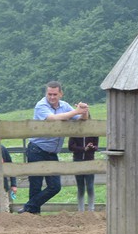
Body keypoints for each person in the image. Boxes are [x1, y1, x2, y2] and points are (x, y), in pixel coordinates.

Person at [18, 81, 88, 214]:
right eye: (49, 94)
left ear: (60, 94)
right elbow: (52, 118)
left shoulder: (65, 106)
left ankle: (28, 208)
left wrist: (83, 111)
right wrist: (75, 111)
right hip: (37, 149)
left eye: (55, 94)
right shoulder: (41, 105)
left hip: (51, 152)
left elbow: (81, 120)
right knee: (36, 185)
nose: (52, 97)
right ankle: (32, 214)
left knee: (55, 186)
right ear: (46, 93)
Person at [68, 134, 100, 211]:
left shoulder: (93, 131)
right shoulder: (75, 132)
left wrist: (92, 147)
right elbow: (71, 146)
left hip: (89, 161)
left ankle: (91, 209)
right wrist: (83, 149)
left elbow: (96, 146)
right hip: (77, 160)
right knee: (80, 186)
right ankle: (81, 210)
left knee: (90, 186)